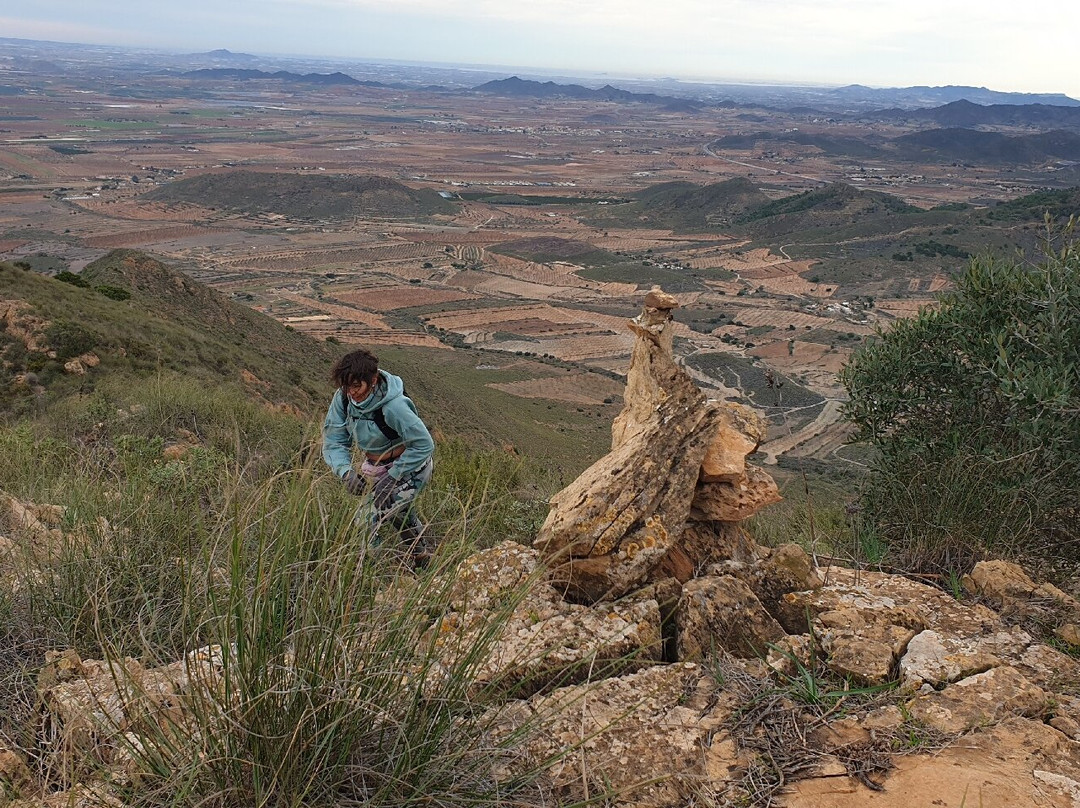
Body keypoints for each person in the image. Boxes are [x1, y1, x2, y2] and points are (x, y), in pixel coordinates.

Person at [322, 349, 435, 558]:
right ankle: (423, 559)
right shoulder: (343, 399)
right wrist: (346, 472)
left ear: (373, 380)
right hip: (377, 468)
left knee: (364, 521)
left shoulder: (394, 407)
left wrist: (392, 478)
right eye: (346, 386)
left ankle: (369, 570)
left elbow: (423, 445)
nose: (351, 392)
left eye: (357, 386)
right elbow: (334, 440)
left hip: (411, 467)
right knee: (400, 514)